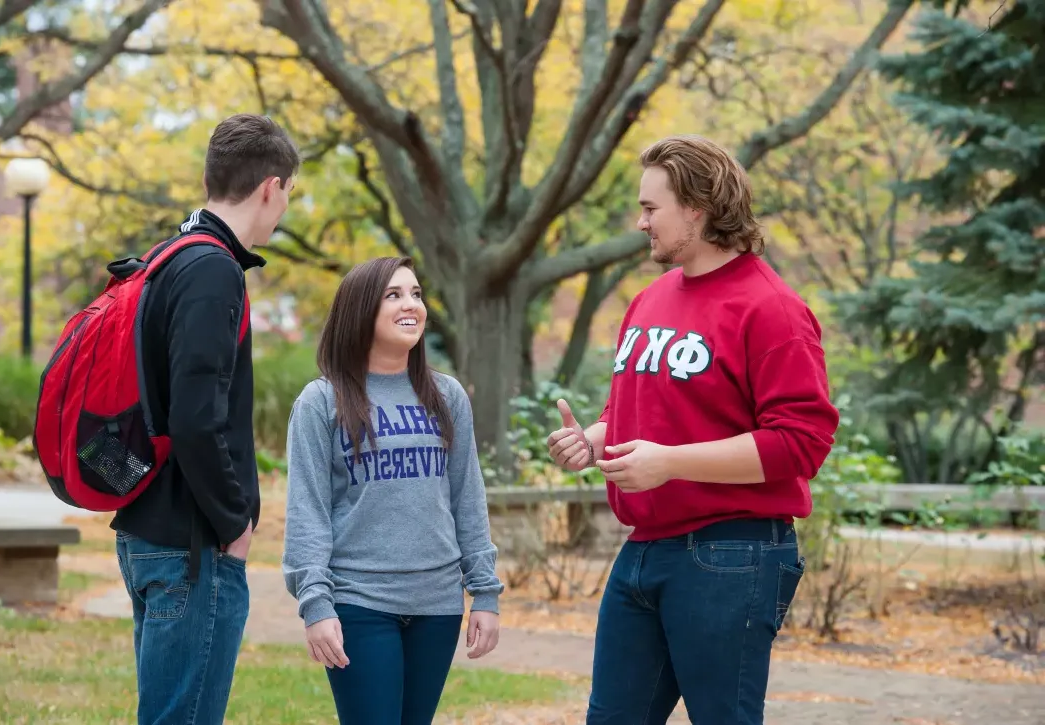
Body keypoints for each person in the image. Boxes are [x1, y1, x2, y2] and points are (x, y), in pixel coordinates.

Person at [546, 135, 840, 725]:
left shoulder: (772, 308)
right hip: (643, 550)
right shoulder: (648, 300)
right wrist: (596, 440)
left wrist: (671, 463)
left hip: (733, 554)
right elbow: (638, 414)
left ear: (698, 209)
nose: (641, 221)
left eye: (652, 208)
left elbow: (802, 442)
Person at [111, 113, 299, 724]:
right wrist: (233, 520)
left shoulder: (168, 257)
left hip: (152, 529)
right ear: (271, 185)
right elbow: (196, 419)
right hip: (191, 546)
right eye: (288, 194)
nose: (283, 209)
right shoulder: (214, 270)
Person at [282, 256, 504, 725]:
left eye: (417, 294)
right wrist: (316, 605)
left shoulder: (447, 396)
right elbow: (308, 513)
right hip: (359, 600)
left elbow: (467, 497)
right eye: (394, 294)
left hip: (438, 603)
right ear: (361, 310)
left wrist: (484, 593)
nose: (412, 305)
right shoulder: (321, 401)